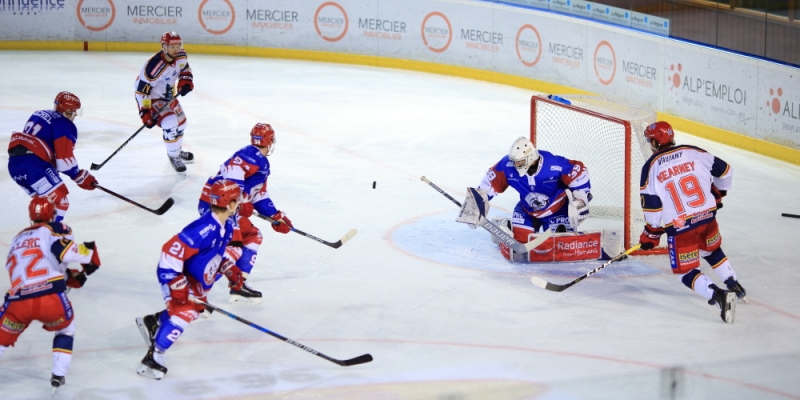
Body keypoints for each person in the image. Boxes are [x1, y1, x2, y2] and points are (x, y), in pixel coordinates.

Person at [638, 121, 746, 324]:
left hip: (681, 228)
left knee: (685, 271)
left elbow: (652, 208)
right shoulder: (693, 151)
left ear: (654, 141)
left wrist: (651, 234)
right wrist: (718, 193)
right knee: (712, 251)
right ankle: (734, 285)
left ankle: (719, 295)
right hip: (707, 217)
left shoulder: (651, 167)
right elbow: (726, 172)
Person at [135, 179, 245, 380]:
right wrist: (176, 285)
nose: (239, 203)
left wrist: (229, 269)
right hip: (175, 275)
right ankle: (153, 358)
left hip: (192, 277)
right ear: (229, 204)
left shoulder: (225, 226)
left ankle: (153, 322)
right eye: (237, 200)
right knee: (184, 312)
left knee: (195, 310)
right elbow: (170, 252)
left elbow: (216, 255)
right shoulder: (204, 228)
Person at [0, 196, 101, 391]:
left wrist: (66, 275)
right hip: (50, 299)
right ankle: (58, 375)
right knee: (66, 330)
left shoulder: (16, 239)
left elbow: (31, 267)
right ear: (52, 214)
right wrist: (90, 255)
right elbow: (66, 253)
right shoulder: (51, 231)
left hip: (18, 301)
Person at [197, 123, 293, 304]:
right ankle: (197, 291)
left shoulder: (259, 162)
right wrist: (239, 203)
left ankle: (237, 285)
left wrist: (277, 216)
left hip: (222, 206)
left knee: (252, 237)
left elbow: (259, 195)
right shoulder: (249, 156)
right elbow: (232, 182)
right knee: (234, 245)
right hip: (220, 207)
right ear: (271, 141)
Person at [476, 136, 591, 258]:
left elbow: (579, 172)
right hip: (526, 211)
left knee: (561, 246)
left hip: (557, 211)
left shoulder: (554, 164)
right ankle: (505, 226)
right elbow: (488, 184)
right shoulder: (507, 165)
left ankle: (561, 233)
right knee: (517, 245)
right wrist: (476, 204)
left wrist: (580, 200)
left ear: (530, 158)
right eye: (514, 160)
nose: (515, 164)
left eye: (519, 161)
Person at [7, 91, 98, 222]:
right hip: (34, 166)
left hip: (14, 166)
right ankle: (47, 236)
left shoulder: (39, 114)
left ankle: (38, 236)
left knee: (44, 206)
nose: (76, 114)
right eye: (74, 110)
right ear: (67, 110)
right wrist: (80, 176)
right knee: (60, 203)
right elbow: (64, 161)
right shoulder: (65, 124)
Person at [134, 31, 195, 172]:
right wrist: (145, 112)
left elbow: (185, 68)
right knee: (170, 122)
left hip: (168, 95)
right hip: (152, 97)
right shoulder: (153, 67)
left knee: (182, 123)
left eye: (178, 45)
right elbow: (142, 91)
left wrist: (186, 80)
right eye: (172, 46)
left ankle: (177, 151)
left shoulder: (181, 55)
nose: (176, 49)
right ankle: (174, 156)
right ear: (164, 46)